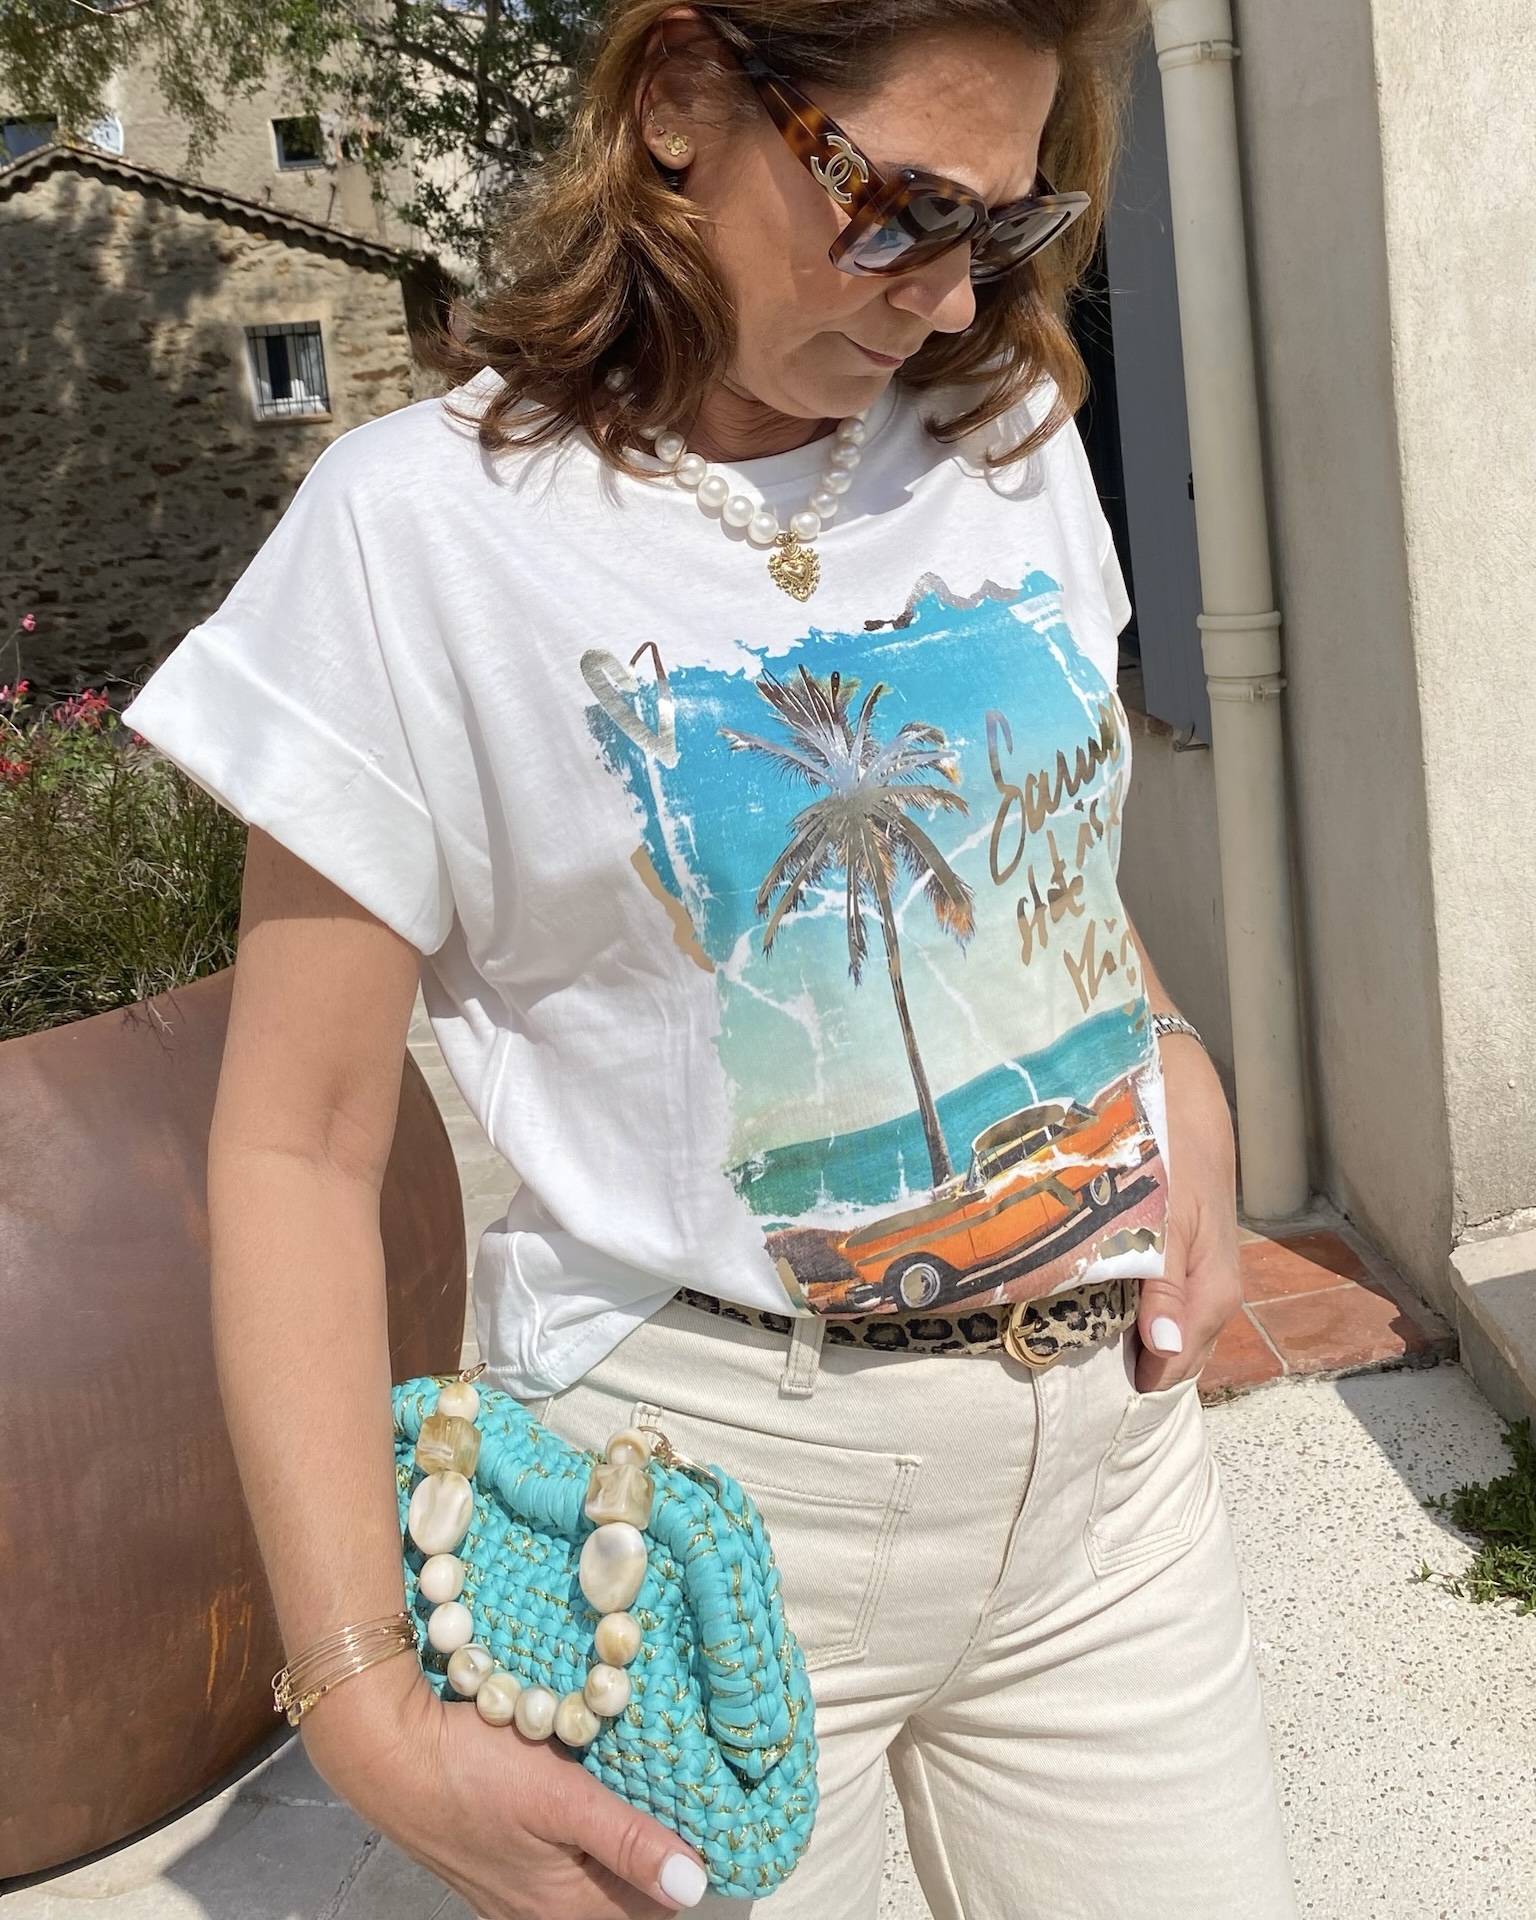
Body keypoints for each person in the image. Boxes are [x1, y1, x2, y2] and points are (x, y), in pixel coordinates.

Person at [123, 2, 1299, 1914]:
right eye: (901, 205)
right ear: (679, 99)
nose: (948, 297)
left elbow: (1045, 863)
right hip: (695, 1529)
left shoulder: (1006, 439)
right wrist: (359, 1704)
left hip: (1109, 1496)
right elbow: (296, 1147)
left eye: (1001, 224)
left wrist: (1176, 1059)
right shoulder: (422, 532)